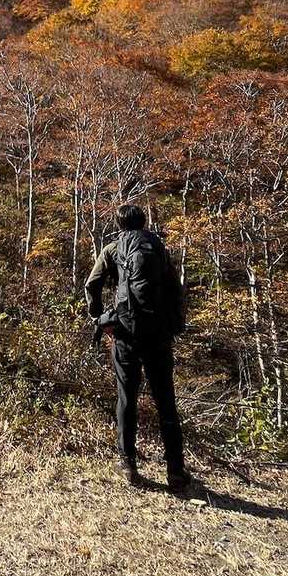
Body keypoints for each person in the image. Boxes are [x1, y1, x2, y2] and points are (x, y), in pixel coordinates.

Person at [85, 203, 192, 491]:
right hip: (159, 336)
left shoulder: (112, 249)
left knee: (126, 399)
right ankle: (176, 470)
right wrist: (174, 326)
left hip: (125, 334)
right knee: (165, 400)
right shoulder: (158, 249)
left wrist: (100, 319)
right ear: (143, 223)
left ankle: (128, 464)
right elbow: (176, 290)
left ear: (119, 224)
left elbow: (92, 285)